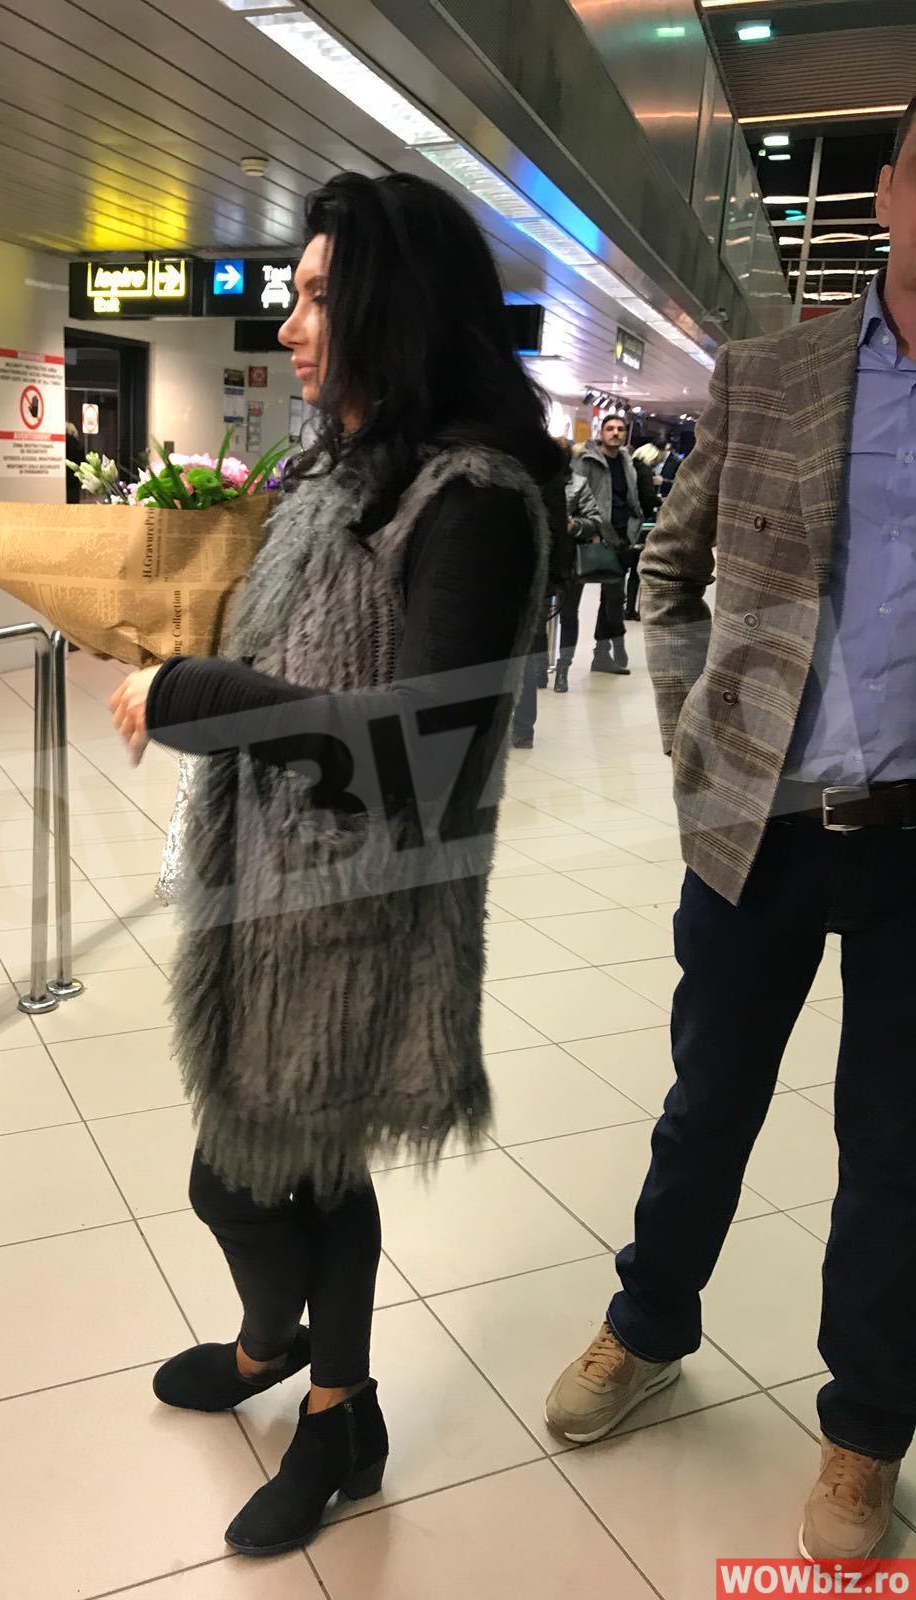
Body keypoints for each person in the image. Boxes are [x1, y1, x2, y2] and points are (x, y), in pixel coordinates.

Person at [110, 170, 555, 1557]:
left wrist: (194, 694)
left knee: (277, 1174)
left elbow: (414, 756)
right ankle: (283, 1354)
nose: (291, 326)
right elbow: (294, 651)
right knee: (267, 1170)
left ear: (391, 307)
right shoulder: (331, 473)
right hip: (268, 887)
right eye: (293, 296)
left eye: (316, 296)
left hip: (366, 912)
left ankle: (331, 1408)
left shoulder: (472, 500)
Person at [545, 94, 916, 1563]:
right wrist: (695, 745)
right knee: (710, 1099)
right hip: (761, 823)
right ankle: (648, 1325)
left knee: (898, 1146)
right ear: (888, 191)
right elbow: (667, 565)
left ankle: (865, 1430)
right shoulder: (773, 375)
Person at [512, 441, 573, 746]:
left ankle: (516, 728)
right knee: (521, 652)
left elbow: (556, 523)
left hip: (517, 572)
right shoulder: (543, 461)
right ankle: (521, 729)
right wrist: (558, 575)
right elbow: (557, 523)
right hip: (529, 572)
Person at [576, 415, 643, 672]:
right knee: (614, 598)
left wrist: (634, 529)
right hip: (599, 538)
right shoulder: (587, 461)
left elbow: (632, 499)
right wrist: (592, 531)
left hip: (624, 537)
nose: (615, 433)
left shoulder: (627, 462)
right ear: (601, 432)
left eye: (620, 429)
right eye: (610, 428)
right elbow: (578, 497)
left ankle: (602, 654)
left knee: (612, 599)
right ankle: (616, 645)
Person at [549, 451, 604, 694]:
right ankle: (538, 669)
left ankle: (563, 668)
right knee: (537, 618)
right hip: (541, 558)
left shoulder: (578, 483)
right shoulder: (534, 481)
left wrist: (573, 525)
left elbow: (594, 520)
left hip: (570, 559)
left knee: (569, 615)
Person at [628, 443, 663, 622]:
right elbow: (648, 498)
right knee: (639, 570)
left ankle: (628, 607)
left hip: (627, 522)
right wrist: (662, 501)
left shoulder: (629, 466)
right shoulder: (645, 470)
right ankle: (635, 609)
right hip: (642, 523)